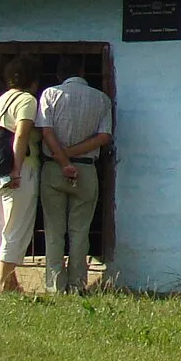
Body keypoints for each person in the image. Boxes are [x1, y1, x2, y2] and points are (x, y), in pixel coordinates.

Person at [37, 72, 112, 294]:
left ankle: (54, 286)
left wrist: (62, 158)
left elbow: (46, 131)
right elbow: (104, 136)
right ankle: (77, 284)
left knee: (54, 230)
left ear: (61, 76)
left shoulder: (50, 94)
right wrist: (71, 155)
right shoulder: (101, 99)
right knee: (80, 230)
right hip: (86, 168)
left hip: (53, 167)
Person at [0, 56, 43, 295]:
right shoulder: (27, 100)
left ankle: (11, 283)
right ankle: (1, 284)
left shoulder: (1, 100)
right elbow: (21, 135)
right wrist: (17, 169)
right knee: (16, 227)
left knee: (4, 225)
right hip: (18, 168)